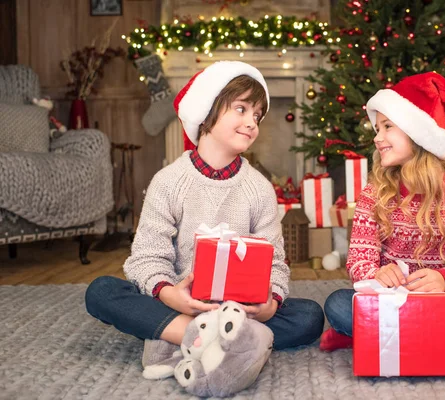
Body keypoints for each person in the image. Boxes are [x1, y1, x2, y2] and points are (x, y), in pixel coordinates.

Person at [85, 61, 324, 367]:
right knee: (102, 291)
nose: (252, 122)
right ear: (208, 111)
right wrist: (171, 295)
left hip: (239, 310)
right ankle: (210, 337)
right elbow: (147, 257)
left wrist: (269, 304)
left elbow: (276, 262)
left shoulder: (260, 188)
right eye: (241, 109)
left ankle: (186, 338)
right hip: (181, 305)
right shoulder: (169, 182)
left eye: (257, 115)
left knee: (309, 316)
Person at [319, 72, 445, 365]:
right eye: (377, 128)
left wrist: (443, 278)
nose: (377, 138)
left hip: (440, 302)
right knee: (338, 304)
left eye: (387, 127)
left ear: (417, 135)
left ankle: (370, 338)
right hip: (389, 299)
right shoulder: (373, 193)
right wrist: (376, 273)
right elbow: (359, 261)